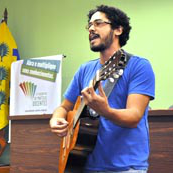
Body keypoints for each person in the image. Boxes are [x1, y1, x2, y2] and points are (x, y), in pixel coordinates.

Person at [49, 5, 155, 173]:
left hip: (126, 167)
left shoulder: (139, 66)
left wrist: (105, 110)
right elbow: (64, 107)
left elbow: (134, 116)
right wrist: (56, 120)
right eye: (89, 25)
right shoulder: (84, 69)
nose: (91, 28)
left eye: (98, 23)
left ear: (118, 29)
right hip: (84, 164)